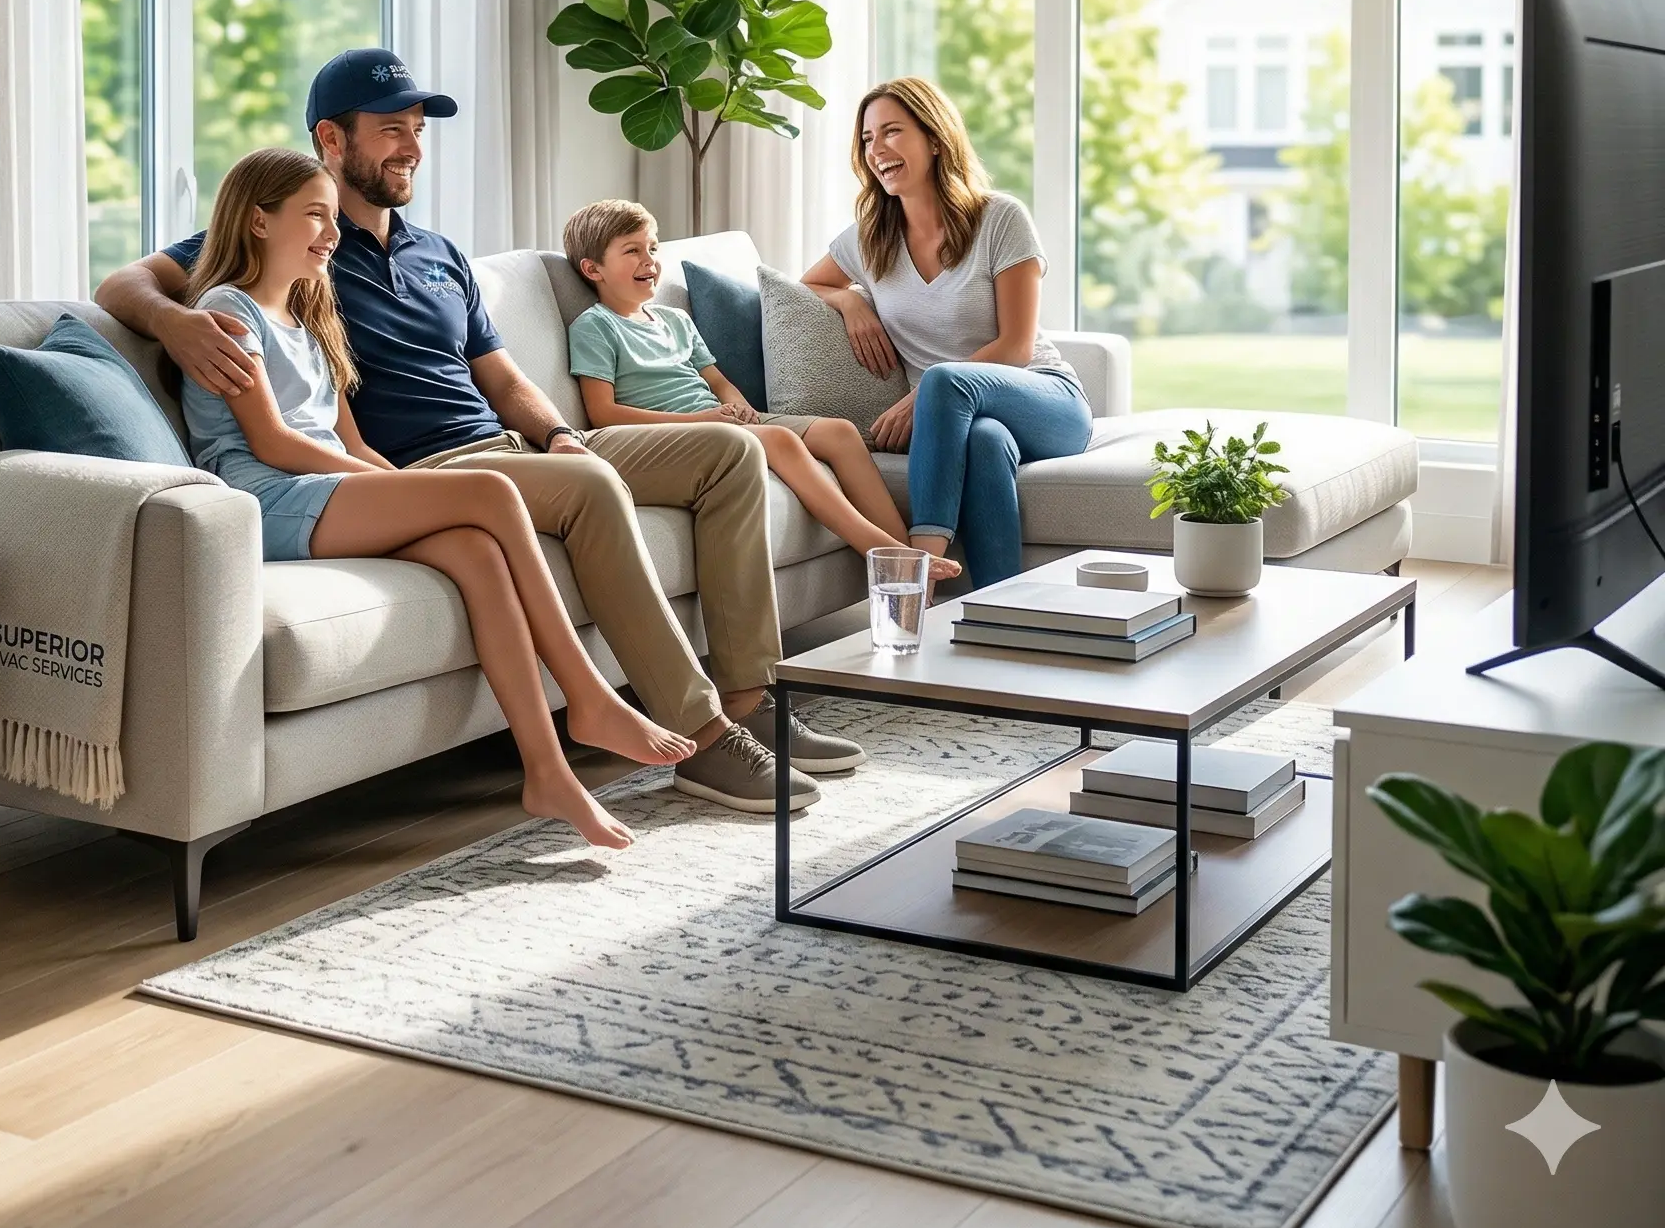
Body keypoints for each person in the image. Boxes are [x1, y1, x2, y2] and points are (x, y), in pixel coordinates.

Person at [96, 47, 863, 813]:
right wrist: (174, 322)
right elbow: (122, 284)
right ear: (332, 139)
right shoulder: (297, 245)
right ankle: (701, 737)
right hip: (422, 470)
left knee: (726, 453)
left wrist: (560, 433)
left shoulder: (438, 254)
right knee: (590, 485)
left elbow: (498, 375)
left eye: (419, 130)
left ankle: (749, 699)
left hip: (519, 448)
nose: (412, 147)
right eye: (392, 129)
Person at [178, 148, 695, 849]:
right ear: (259, 221)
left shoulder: (309, 310)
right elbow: (271, 443)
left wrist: (391, 481)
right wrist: (393, 487)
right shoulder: (228, 312)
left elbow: (351, 440)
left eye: (333, 216)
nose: (331, 233)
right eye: (314, 216)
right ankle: (589, 697)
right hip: (267, 500)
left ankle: (546, 772)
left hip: (322, 484)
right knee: (489, 492)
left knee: (477, 550)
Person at [562, 198, 956, 583]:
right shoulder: (595, 327)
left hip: (722, 420)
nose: (649, 260)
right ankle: (886, 555)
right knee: (781, 441)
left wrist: (738, 407)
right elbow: (603, 413)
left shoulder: (674, 319)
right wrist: (702, 420)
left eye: (652, 247)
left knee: (841, 432)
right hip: (679, 433)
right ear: (592, 269)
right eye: (632, 251)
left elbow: (716, 382)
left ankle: (914, 572)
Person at [801, 76, 1093, 587]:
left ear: (934, 140)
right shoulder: (871, 240)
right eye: (868, 139)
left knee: (941, 379)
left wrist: (926, 398)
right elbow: (806, 286)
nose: (878, 150)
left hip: (1046, 399)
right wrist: (849, 300)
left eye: (892, 131)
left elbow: (1017, 346)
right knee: (983, 442)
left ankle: (917, 575)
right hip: (964, 419)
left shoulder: (1000, 218)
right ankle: (1001, 608)